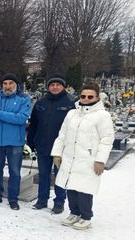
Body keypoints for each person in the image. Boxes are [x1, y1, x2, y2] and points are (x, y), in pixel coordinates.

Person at [51, 82, 114, 230]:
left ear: (97, 98)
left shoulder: (102, 115)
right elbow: (62, 135)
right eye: (83, 96)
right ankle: (74, 212)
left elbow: (107, 139)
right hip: (70, 156)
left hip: (88, 158)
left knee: (84, 189)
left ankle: (86, 216)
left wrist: (100, 160)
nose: (86, 99)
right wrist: (57, 153)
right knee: (70, 186)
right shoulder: (72, 113)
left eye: (90, 96)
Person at [27, 75, 75, 214]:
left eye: (58, 85)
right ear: (48, 87)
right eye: (52, 85)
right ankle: (42, 200)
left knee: (60, 175)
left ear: (63, 86)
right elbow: (34, 124)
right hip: (43, 144)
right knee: (43, 174)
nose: (55, 87)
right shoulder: (41, 102)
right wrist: (31, 141)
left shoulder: (71, 102)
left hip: (62, 148)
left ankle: (59, 202)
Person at [0, 73, 31, 210]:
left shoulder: (24, 99)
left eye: (10, 83)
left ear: (16, 85)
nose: (7, 86)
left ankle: (13, 198)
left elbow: (21, 118)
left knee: (15, 172)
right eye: (5, 83)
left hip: (14, 142)